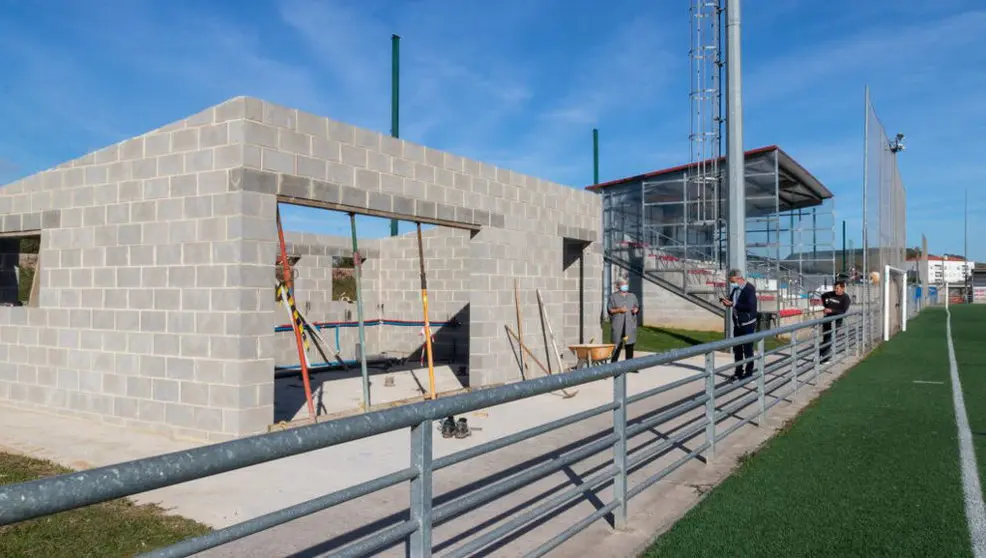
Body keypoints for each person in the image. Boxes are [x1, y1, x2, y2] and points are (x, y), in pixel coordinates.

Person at [720, 269, 757, 380]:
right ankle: (738, 371)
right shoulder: (735, 289)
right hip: (737, 324)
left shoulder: (749, 289)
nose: (731, 283)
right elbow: (732, 302)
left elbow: (749, 306)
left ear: (738, 278)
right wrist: (726, 302)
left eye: (732, 281)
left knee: (748, 349)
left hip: (748, 324)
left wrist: (734, 304)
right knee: (737, 349)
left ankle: (749, 372)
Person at [608, 278, 639, 363]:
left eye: (626, 284)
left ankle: (630, 365)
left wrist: (635, 310)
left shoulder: (632, 296)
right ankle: (613, 365)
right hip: (618, 325)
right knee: (617, 345)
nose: (625, 286)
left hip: (630, 324)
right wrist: (619, 310)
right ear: (618, 286)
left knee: (630, 345)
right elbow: (610, 310)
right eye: (623, 284)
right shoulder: (613, 297)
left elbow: (636, 306)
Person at [820, 280, 851, 363]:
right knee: (826, 338)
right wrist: (825, 306)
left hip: (836, 321)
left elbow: (843, 311)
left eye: (837, 288)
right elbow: (823, 296)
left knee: (830, 338)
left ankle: (823, 357)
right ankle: (822, 355)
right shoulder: (830, 294)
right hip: (827, 319)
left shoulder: (846, 298)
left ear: (842, 288)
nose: (835, 290)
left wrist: (831, 310)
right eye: (835, 288)